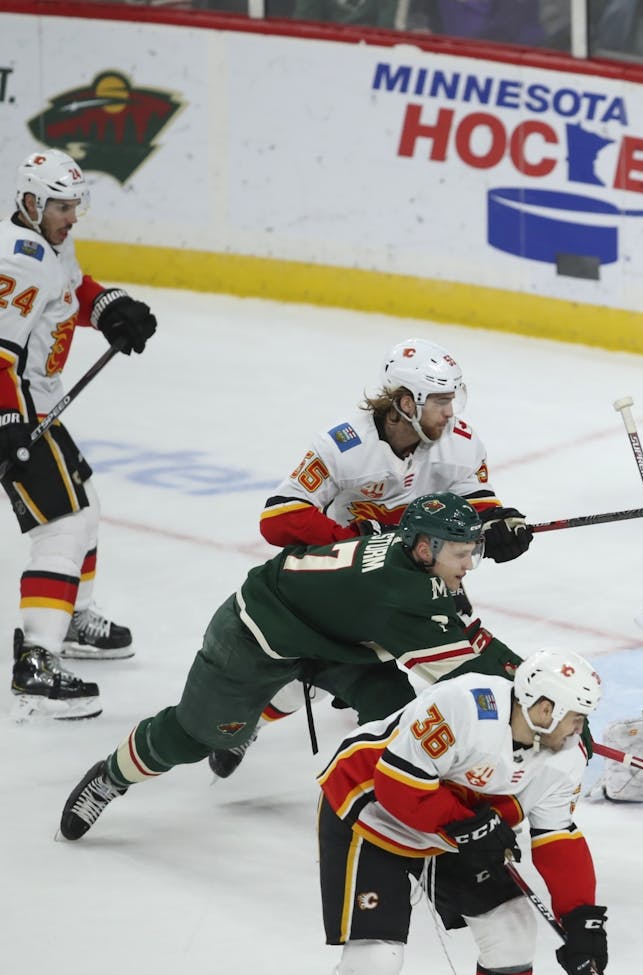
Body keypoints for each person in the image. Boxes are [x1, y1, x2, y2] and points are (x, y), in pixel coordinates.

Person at [57, 491, 514, 840]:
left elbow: (465, 634)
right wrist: (528, 692)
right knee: (198, 736)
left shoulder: (409, 554)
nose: (471, 564)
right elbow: (464, 674)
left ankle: (397, 808)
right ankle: (111, 777)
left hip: (331, 636)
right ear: (425, 548)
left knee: (394, 707)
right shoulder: (400, 596)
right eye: (462, 553)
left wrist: (527, 675)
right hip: (254, 636)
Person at [210, 337, 534, 777]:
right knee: (314, 672)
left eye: (452, 399)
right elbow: (279, 516)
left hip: (418, 574)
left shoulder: (460, 442)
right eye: (439, 400)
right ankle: (252, 721)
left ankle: (478, 747)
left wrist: (498, 522)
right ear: (404, 403)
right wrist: (356, 539)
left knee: (454, 648)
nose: (450, 412)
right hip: (349, 579)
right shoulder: (344, 444)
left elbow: (474, 501)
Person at [317, 647, 608, 975]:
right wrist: (472, 828)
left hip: (451, 828)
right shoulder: (463, 705)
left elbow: (557, 836)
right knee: (377, 960)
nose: (579, 728)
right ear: (546, 710)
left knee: (511, 929)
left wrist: (582, 919)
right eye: (577, 717)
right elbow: (397, 787)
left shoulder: (566, 756)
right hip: (371, 813)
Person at [2, 148, 158, 721]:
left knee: (85, 505)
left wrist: (111, 307)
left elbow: (71, 289)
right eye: (61, 206)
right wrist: (6, 424)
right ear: (30, 202)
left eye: (74, 205)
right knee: (62, 525)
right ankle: (36, 663)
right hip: (13, 405)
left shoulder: (50, 245)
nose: (72, 216)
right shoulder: (17, 260)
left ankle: (70, 622)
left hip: (35, 400)